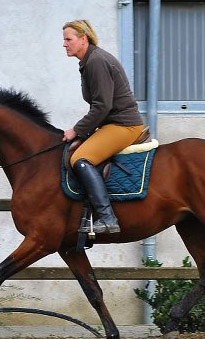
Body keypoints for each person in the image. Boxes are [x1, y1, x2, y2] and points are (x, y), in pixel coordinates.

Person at [62, 19, 144, 234]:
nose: (64, 44)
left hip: (124, 125)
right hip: (111, 123)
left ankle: (107, 218)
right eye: (64, 40)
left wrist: (77, 130)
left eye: (68, 39)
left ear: (83, 39)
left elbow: (102, 106)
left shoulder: (96, 61)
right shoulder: (89, 61)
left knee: (80, 159)